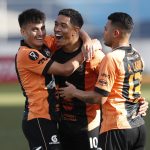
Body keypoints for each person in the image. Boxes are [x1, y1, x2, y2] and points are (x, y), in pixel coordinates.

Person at [58, 12, 148, 150]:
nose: (103, 32)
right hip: (138, 127)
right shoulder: (137, 55)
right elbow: (130, 90)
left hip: (117, 127)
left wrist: (74, 92)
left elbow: (99, 98)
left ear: (116, 33)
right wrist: (142, 102)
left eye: (106, 29)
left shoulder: (111, 58)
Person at [15, 8, 100, 150]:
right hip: (38, 117)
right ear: (23, 32)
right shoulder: (27, 54)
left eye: (42, 28)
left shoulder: (45, 43)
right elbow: (65, 69)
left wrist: (88, 40)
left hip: (51, 117)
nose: (40, 33)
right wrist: (87, 52)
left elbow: (74, 32)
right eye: (34, 30)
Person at [51, 8, 105, 150]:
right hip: (63, 128)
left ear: (75, 30)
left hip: (89, 127)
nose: (57, 29)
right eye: (56, 24)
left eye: (63, 26)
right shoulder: (52, 50)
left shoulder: (95, 56)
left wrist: (137, 101)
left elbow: (110, 90)